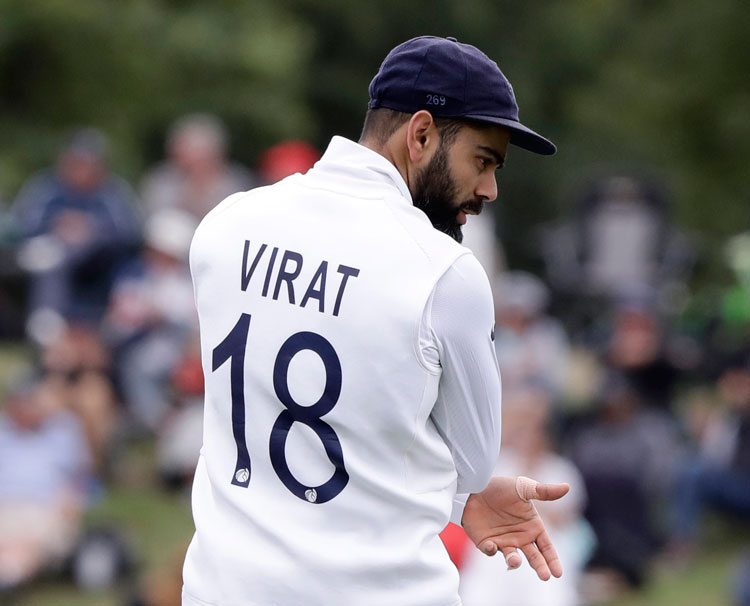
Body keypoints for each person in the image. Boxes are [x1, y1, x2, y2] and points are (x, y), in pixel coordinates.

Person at [183, 36, 568, 606]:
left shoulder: (226, 223)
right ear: (420, 135)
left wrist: (457, 494)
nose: (489, 188)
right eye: (483, 161)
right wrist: (464, 494)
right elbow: (476, 460)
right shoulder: (444, 273)